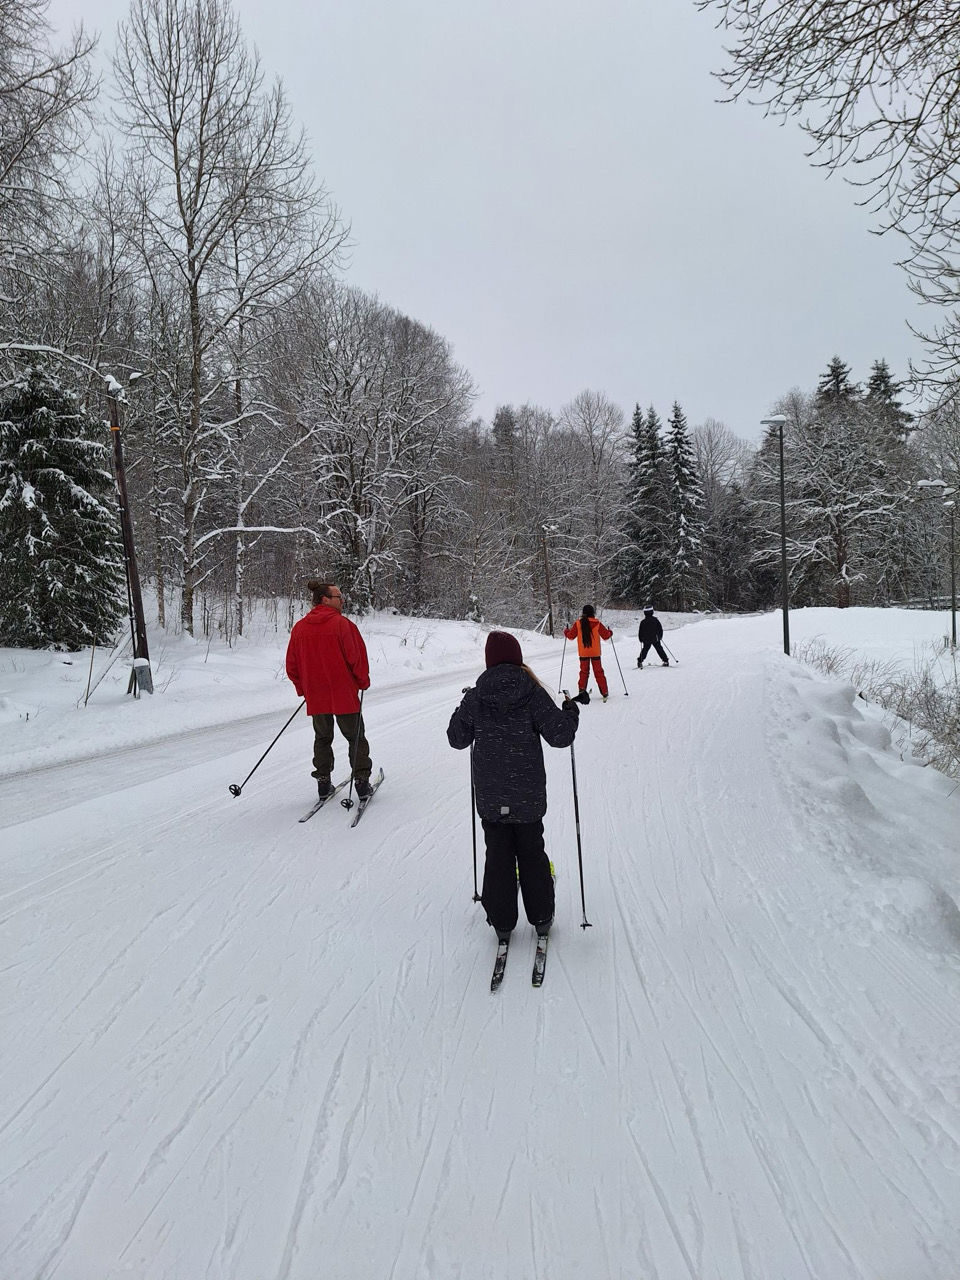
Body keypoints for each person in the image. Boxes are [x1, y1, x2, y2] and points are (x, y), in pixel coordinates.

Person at [447, 630, 580, 942]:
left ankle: (503, 922)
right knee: (532, 852)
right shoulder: (531, 691)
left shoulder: (476, 696)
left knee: (498, 854)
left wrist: (461, 709)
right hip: (528, 795)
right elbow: (561, 736)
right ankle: (542, 918)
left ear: (488, 660)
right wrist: (571, 713)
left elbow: (457, 738)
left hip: (492, 797)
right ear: (518, 657)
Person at [285, 579, 375, 800]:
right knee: (355, 737)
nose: (342, 601)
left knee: (322, 738)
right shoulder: (343, 625)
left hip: (317, 696)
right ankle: (362, 783)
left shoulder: (300, 628)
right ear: (325, 599)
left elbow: (291, 666)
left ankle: (323, 783)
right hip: (343, 693)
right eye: (338, 597)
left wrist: (304, 689)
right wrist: (362, 682)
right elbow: (358, 659)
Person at [563, 604, 613, 701]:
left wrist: (566, 631)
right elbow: (606, 636)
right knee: (599, 672)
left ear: (583, 613)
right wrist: (610, 632)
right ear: (593, 613)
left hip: (583, 653)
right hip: (595, 653)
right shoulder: (597, 623)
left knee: (584, 672)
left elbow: (570, 636)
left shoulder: (578, 623)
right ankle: (604, 692)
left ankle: (582, 691)